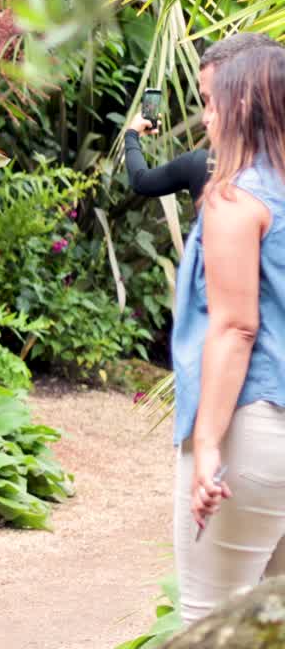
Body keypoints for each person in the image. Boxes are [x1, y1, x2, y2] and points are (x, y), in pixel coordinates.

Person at [170, 43, 285, 625]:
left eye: (210, 103)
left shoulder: (236, 198)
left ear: (241, 106)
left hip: (251, 430)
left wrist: (209, 448)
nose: (205, 118)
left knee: (211, 625)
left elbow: (236, 327)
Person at [123, 33, 281, 202]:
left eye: (211, 101)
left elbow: (141, 181)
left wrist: (132, 134)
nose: (205, 118)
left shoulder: (208, 172)